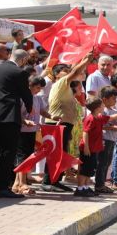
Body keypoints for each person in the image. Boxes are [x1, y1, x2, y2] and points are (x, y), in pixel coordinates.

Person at [0, 49, 33, 198]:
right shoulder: (20, 73)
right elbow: (26, 93)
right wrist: (28, 109)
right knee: (8, 151)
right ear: (23, 60)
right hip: (9, 115)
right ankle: (2, 187)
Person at [41, 52, 93, 192]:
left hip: (65, 124)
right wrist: (87, 59)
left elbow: (76, 71)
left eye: (68, 70)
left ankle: (55, 180)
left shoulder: (67, 87)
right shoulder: (60, 83)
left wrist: (85, 60)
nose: (68, 73)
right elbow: (76, 71)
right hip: (56, 123)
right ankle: (47, 181)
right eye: (65, 71)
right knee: (54, 153)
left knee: (60, 154)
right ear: (56, 74)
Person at [76, 97, 117, 197]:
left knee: (89, 169)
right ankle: (80, 188)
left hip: (93, 148)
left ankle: (85, 187)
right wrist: (86, 147)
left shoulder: (99, 117)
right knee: (84, 169)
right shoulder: (90, 118)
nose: (104, 106)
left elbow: (112, 118)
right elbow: (85, 132)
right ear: (97, 108)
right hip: (88, 149)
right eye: (102, 105)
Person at [13, 75, 56, 195]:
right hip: (22, 131)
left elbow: (42, 111)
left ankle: (17, 183)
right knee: (22, 158)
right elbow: (16, 113)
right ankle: (22, 183)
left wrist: (51, 116)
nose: (38, 90)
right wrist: (25, 121)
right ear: (29, 86)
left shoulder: (37, 98)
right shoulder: (21, 98)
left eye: (40, 88)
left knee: (28, 157)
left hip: (32, 131)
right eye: (37, 87)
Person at [95, 86, 117, 194]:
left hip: (112, 139)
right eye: (113, 99)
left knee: (108, 162)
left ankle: (103, 183)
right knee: (102, 162)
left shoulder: (114, 110)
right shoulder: (102, 111)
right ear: (105, 99)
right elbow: (99, 125)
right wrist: (112, 128)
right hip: (105, 139)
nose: (115, 101)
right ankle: (99, 185)